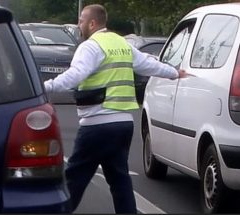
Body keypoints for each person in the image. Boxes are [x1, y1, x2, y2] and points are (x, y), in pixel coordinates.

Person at [44, 4, 188, 214]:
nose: (79, 25)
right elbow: (149, 65)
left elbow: (74, 75)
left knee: (75, 179)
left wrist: (44, 88)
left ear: (92, 23)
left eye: (81, 21)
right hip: (123, 124)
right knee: (120, 182)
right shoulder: (121, 43)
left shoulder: (90, 46)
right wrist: (174, 73)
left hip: (96, 124)